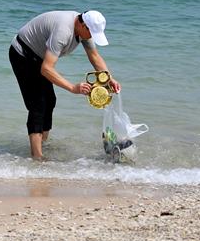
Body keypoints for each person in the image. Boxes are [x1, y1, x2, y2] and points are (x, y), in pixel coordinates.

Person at [9, 10, 121, 159]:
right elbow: (46, 69)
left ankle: (42, 144)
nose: (92, 37)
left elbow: (94, 56)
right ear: (83, 25)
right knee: (38, 104)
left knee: (50, 101)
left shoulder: (83, 29)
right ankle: (37, 157)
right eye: (92, 33)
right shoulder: (63, 31)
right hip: (22, 54)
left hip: (39, 57)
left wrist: (108, 78)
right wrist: (73, 88)